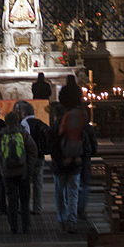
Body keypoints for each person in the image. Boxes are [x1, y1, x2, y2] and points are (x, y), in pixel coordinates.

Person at [0, 110, 37, 235]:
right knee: (24, 200)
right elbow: (33, 150)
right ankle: (26, 226)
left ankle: (13, 226)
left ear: (5, 122)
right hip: (23, 171)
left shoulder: (0, 136)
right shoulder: (23, 134)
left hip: (7, 173)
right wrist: (29, 167)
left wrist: (0, 168)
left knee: (11, 200)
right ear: (17, 121)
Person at [51, 85, 89, 233]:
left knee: (60, 192)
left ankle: (62, 218)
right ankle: (72, 220)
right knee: (73, 192)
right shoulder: (80, 119)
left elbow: (53, 145)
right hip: (75, 163)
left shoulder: (57, 124)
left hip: (61, 164)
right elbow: (87, 142)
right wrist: (80, 157)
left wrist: (59, 159)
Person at [15, 99, 51, 214]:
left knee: (25, 184)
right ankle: (37, 208)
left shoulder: (24, 124)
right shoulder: (40, 122)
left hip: (29, 159)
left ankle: (24, 207)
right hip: (40, 157)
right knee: (38, 184)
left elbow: (24, 142)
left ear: (23, 113)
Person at [76, 119, 98, 222]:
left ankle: (72, 209)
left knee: (73, 185)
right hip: (85, 159)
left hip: (72, 159)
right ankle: (81, 209)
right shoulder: (87, 127)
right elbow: (94, 146)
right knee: (84, 185)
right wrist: (90, 154)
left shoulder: (69, 125)